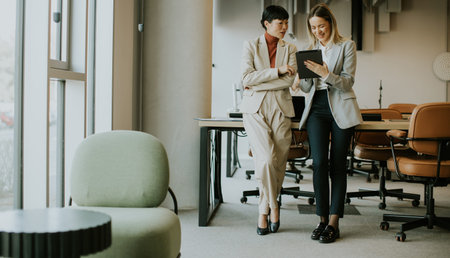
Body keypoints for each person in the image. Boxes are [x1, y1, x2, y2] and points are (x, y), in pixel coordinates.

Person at [292, 3, 362, 243]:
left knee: (337, 165)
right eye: (313, 27)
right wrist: (300, 79)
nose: (317, 31)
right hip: (317, 109)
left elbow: (347, 82)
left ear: (330, 23)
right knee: (319, 162)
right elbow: (307, 88)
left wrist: (324, 73)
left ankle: (333, 222)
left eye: (321, 26)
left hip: (341, 106)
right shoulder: (308, 50)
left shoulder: (346, 46)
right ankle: (321, 218)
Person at [240, 5, 297, 235]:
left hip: (281, 109)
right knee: (264, 160)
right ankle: (270, 208)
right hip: (255, 110)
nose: (284, 27)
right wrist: (277, 71)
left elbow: (288, 83)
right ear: (267, 23)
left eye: (286, 23)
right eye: (279, 23)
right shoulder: (250, 45)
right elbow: (245, 77)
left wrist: (260, 80)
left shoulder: (290, 48)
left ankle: (265, 208)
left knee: (278, 164)